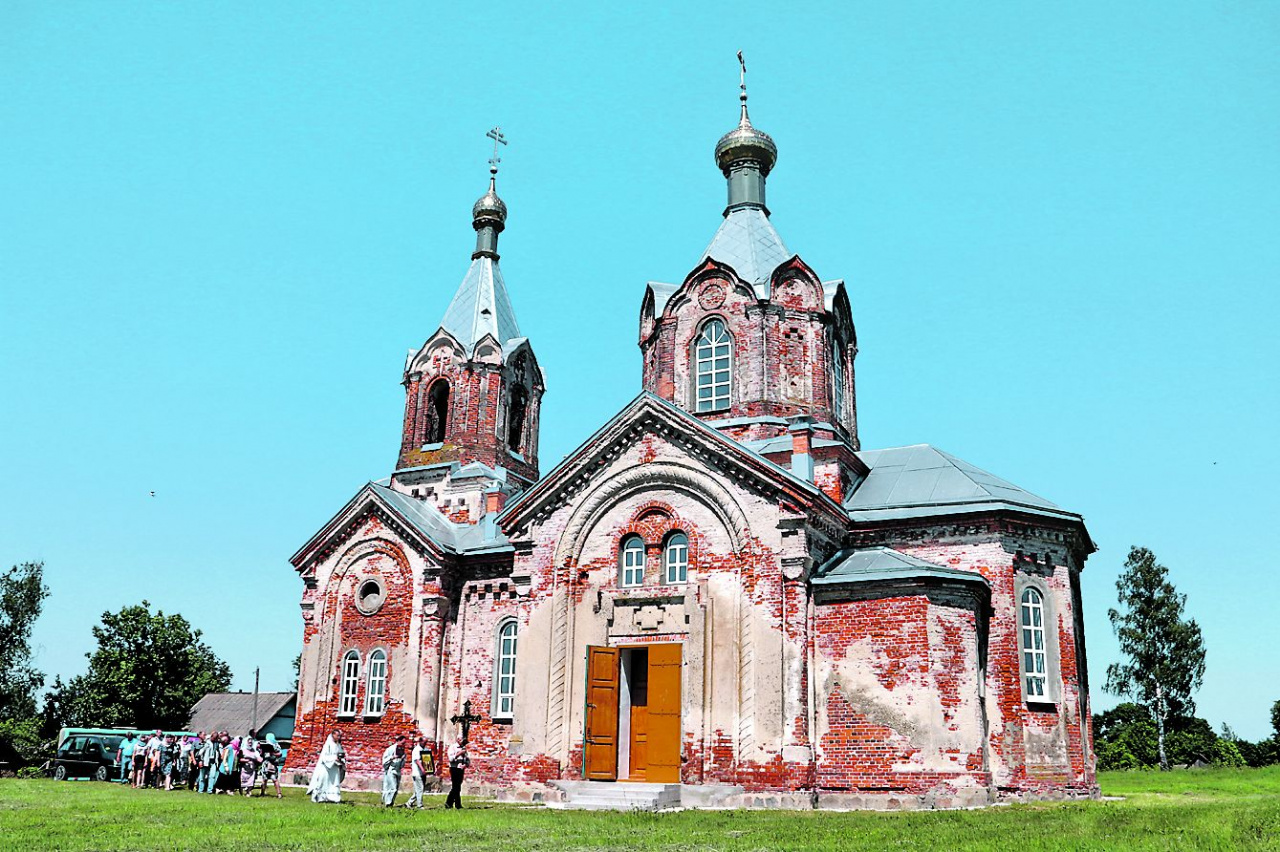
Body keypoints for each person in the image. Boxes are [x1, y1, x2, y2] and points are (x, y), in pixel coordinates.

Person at [307, 731, 345, 804]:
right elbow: (324, 757)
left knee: (334, 783)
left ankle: (334, 798)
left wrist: (341, 760)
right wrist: (334, 758)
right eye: (337, 735)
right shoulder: (328, 745)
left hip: (334, 768)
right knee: (322, 781)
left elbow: (341, 754)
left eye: (339, 736)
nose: (339, 737)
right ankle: (318, 797)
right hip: (326, 767)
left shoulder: (338, 745)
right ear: (333, 735)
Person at [406, 735, 433, 810]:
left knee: (420, 789)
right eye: (424, 742)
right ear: (420, 741)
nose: (425, 743)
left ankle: (409, 803)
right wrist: (422, 769)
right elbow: (417, 761)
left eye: (426, 742)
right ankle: (419, 805)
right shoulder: (416, 750)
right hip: (417, 773)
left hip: (423, 773)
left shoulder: (426, 749)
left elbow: (428, 760)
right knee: (420, 789)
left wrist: (429, 769)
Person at [380, 736, 406, 807]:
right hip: (391, 770)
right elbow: (384, 761)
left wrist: (403, 759)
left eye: (404, 743)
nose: (403, 745)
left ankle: (391, 802)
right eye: (403, 743)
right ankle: (388, 803)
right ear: (398, 741)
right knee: (392, 788)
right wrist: (392, 757)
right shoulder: (390, 749)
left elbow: (403, 763)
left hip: (398, 771)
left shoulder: (402, 750)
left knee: (396, 789)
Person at [257, 733, 284, 798]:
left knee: (274, 779)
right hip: (265, 764)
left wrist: (272, 753)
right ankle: (262, 792)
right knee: (264, 779)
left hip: (273, 764)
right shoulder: (265, 744)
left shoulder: (276, 745)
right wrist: (260, 750)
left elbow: (280, 754)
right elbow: (261, 755)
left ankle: (279, 794)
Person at [444, 736, 468, 810]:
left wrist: (465, 764)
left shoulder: (463, 748)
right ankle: (454, 804)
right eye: (461, 740)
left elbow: (467, 759)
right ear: (457, 740)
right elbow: (451, 759)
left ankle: (451, 803)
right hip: (454, 768)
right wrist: (459, 753)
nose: (462, 741)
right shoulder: (453, 747)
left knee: (458, 787)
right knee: (455, 787)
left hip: (461, 769)